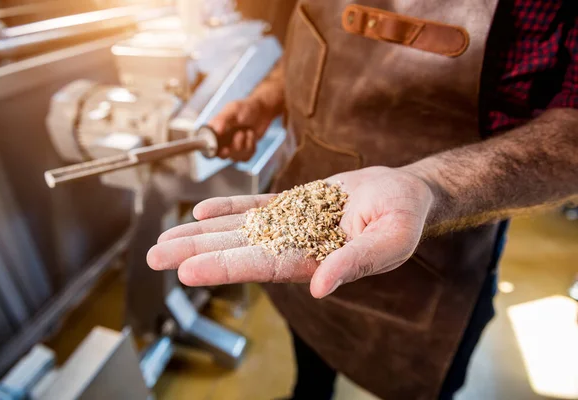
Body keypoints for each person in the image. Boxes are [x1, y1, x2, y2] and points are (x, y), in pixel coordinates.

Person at [147, 1, 578, 399]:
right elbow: (320, 33)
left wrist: (430, 186)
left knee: (418, 379)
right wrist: (265, 100)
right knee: (311, 334)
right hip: (312, 206)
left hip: (444, 237)